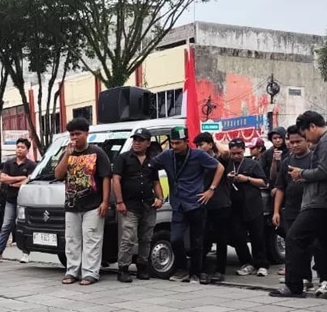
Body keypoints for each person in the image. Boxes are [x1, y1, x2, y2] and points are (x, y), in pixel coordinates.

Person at [270, 111, 327, 300]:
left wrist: (302, 174)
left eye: (305, 134)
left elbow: (325, 171)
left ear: (312, 127)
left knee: (295, 237)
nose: (306, 139)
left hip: (323, 203)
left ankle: (294, 285)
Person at [151, 128, 224, 283]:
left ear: (186, 141)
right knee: (176, 239)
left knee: (197, 241)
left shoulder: (198, 155)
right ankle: (182, 269)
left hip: (196, 203)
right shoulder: (167, 155)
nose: (175, 146)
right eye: (172, 143)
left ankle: (195, 273)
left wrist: (211, 190)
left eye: (178, 143)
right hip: (177, 204)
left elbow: (220, 168)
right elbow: (150, 166)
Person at [55, 117, 111, 285]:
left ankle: (90, 273)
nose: (74, 138)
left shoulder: (97, 152)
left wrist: (105, 202)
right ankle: (72, 271)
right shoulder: (67, 153)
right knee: (72, 240)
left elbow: (105, 178)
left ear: (87, 133)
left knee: (91, 239)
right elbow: (58, 175)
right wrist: (67, 155)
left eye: (78, 134)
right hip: (72, 204)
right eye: (72, 134)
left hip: (93, 204)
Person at [112, 127, 163, 282]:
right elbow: (116, 179)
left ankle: (143, 266)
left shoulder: (152, 161)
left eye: (141, 140)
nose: (137, 143)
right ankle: (123, 268)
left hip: (148, 204)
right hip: (129, 205)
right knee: (128, 237)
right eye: (135, 139)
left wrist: (160, 198)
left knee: (146, 238)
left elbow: (155, 182)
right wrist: (119, 201)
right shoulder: (123, 158)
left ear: (148, 143)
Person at [271, 127, 316, 290]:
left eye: (298, 141)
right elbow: (280, 188)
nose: (294, 145)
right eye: (291, 142)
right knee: (291, 243)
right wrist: (276, 211)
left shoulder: (314, 159)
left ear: (307, 141)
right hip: (290, 209)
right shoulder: (286, 162)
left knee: (307, 245)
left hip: (309, 208)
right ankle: (295, 278)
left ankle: (306, 277)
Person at [0, 138, 36, 264]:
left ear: (27, 150)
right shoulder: (9, 163)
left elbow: (27, 181)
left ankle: (25, 253)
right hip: (11, 199)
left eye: (22, 147)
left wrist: (12, 181)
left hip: (25, 200)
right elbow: (3, 178)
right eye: (18, 146)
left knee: (23, 226)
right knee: (6, 225)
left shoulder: (31, 165)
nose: (19, 149)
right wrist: (18, 179)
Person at [224, 139, 269, 277]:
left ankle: (261, 264)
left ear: (244, 150)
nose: (236, 156)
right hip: (234, 206)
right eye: (233, 153)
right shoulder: (227, 164)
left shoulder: (253, 164)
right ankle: (246, 263)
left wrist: (246, 179)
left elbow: (263, 182)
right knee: (238, 236)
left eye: (239, 153)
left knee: (257, 236)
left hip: (253, 205)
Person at [195, 133, 232, 283]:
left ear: (210, 145)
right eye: (197, 145)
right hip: (203, 204)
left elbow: (226, 152)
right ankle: (203, 270)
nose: (199, 148)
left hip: (221, 204)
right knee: (203, 238)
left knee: (221, 238)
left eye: (202, 144)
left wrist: (214, 141)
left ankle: (220, 270)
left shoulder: (218, 160)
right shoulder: (197, 161)